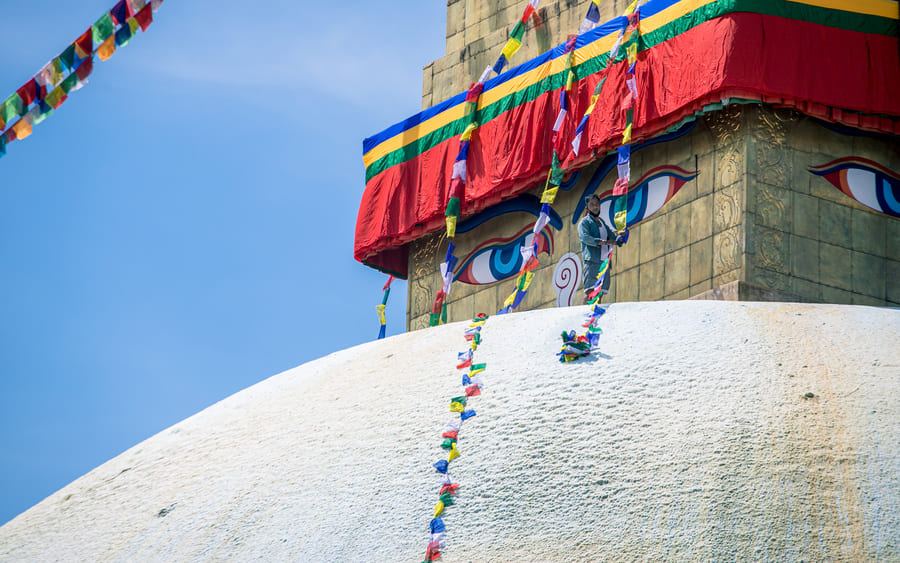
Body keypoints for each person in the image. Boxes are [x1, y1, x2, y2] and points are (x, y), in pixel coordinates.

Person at [578, 194, 618, 304]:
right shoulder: (585, 222)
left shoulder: (602, 223)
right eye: (592, 204)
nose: (595, 207)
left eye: (597, 204)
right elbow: (585, 238)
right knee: (590, 291)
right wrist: (603, 242)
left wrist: (621, 236)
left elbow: (613, 238)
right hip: (592, 261)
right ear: (587, 207)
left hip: (604, 263)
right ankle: (585, 317)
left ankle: (594, 318)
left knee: (599, 293)